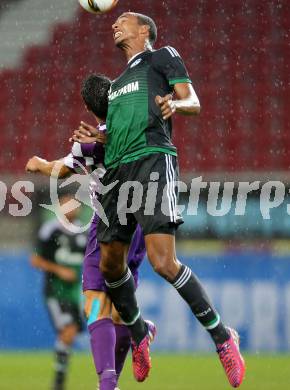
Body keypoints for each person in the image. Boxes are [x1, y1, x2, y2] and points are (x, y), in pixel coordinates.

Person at [77, 12, 245, 387]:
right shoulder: (117, 84)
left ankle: (222, 337)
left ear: (144, 31)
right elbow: (118, 130)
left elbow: (193, 101)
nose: (114, 24)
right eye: (114, 21)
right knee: (109, 266)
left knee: (164, 262)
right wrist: (104, 138)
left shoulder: (161, 57)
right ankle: (139, 332)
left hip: (153, 160)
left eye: (124, 20)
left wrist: (175, 106)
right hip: (118, 173)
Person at [26, 74, 150, 390]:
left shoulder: (89, 144)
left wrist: (37, 163)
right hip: (139, 225)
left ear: (87, 106)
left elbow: (60, 169)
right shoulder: (136, 132)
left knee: (95, 304)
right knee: (120, 305)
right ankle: (134, 334)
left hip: (107, 223)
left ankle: (109, 379)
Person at [31, 194, 86, 390]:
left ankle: (60, 378)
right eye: (66, 205)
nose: (71, 209)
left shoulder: (84, 232)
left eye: (75, 206)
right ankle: (59, 382)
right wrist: (59, 270)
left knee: (69, 334)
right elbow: (36, 260)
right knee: (68, 331)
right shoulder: (50, 230)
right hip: (56, 292)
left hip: (77, 294)